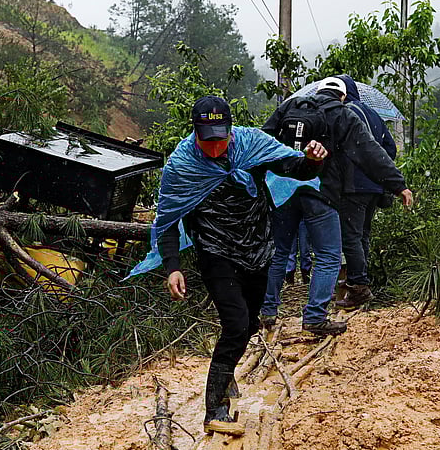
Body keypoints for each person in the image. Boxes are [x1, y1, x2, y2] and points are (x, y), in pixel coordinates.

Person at [129, 95, 326, 429]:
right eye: (207, 141)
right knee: (235, 324)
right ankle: (215, 409)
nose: (215, 148)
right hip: (215, 251)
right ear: (195, 133)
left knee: (249, 325)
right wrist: (173, 266)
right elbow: (167, 220)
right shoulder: (182, 165)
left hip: (257, 246)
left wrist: (313, 160)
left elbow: (296, 168)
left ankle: (226, 371)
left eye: (220, 139)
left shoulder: (252, 145)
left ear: (231, 131)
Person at [259, 77, 413, 333]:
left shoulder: (290, 106)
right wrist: (398, 185)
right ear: (342, 96)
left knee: (280, 252)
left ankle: (267, 311)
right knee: (328, 255)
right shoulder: (343, 114)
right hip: (320, 191)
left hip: (282, 190)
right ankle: (315, 316)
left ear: (318, 91)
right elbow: (370, 152)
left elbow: (263, 140)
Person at [336, 75, 401, 307]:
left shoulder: (345, 114)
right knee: (362, 234)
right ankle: (360, 282)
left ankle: (358, 287)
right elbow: (390, 149)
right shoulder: (373, 113)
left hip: (354, 185)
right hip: (375, 186)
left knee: (351, 237)